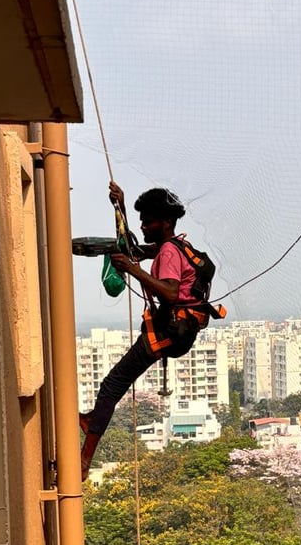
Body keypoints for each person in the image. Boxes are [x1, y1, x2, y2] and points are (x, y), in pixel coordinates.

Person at [79, 181, 207, 480]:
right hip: (177, 329)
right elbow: (133, 247)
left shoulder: (169, 254)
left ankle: (86, 456)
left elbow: (171, 293)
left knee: (113, 384)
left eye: (147, 221)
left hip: (171, 329)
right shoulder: (175, 246)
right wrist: (119, 207)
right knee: (114, 384)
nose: (143, 225)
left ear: (165, 222)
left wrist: (133, 270)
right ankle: (91, 422)